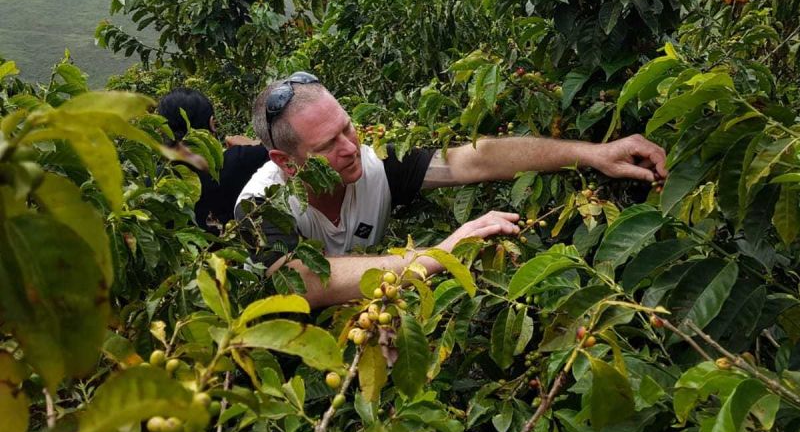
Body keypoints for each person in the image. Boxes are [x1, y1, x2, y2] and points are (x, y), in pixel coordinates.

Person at [236, 73, 668, 308]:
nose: (350, 147)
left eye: (348, 127)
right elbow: (301, 282)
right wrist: (439, 254)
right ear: (286, 162)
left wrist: (593, 153)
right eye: (328, 145)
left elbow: (474, 159)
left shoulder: (374, 162)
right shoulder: (259, 207)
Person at [157, 88, 269, 234]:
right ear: (211, 124)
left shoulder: (155, 180)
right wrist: (252, 144)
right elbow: (284, 151)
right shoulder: (240, 160)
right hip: (237, 254)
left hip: (189, 256)